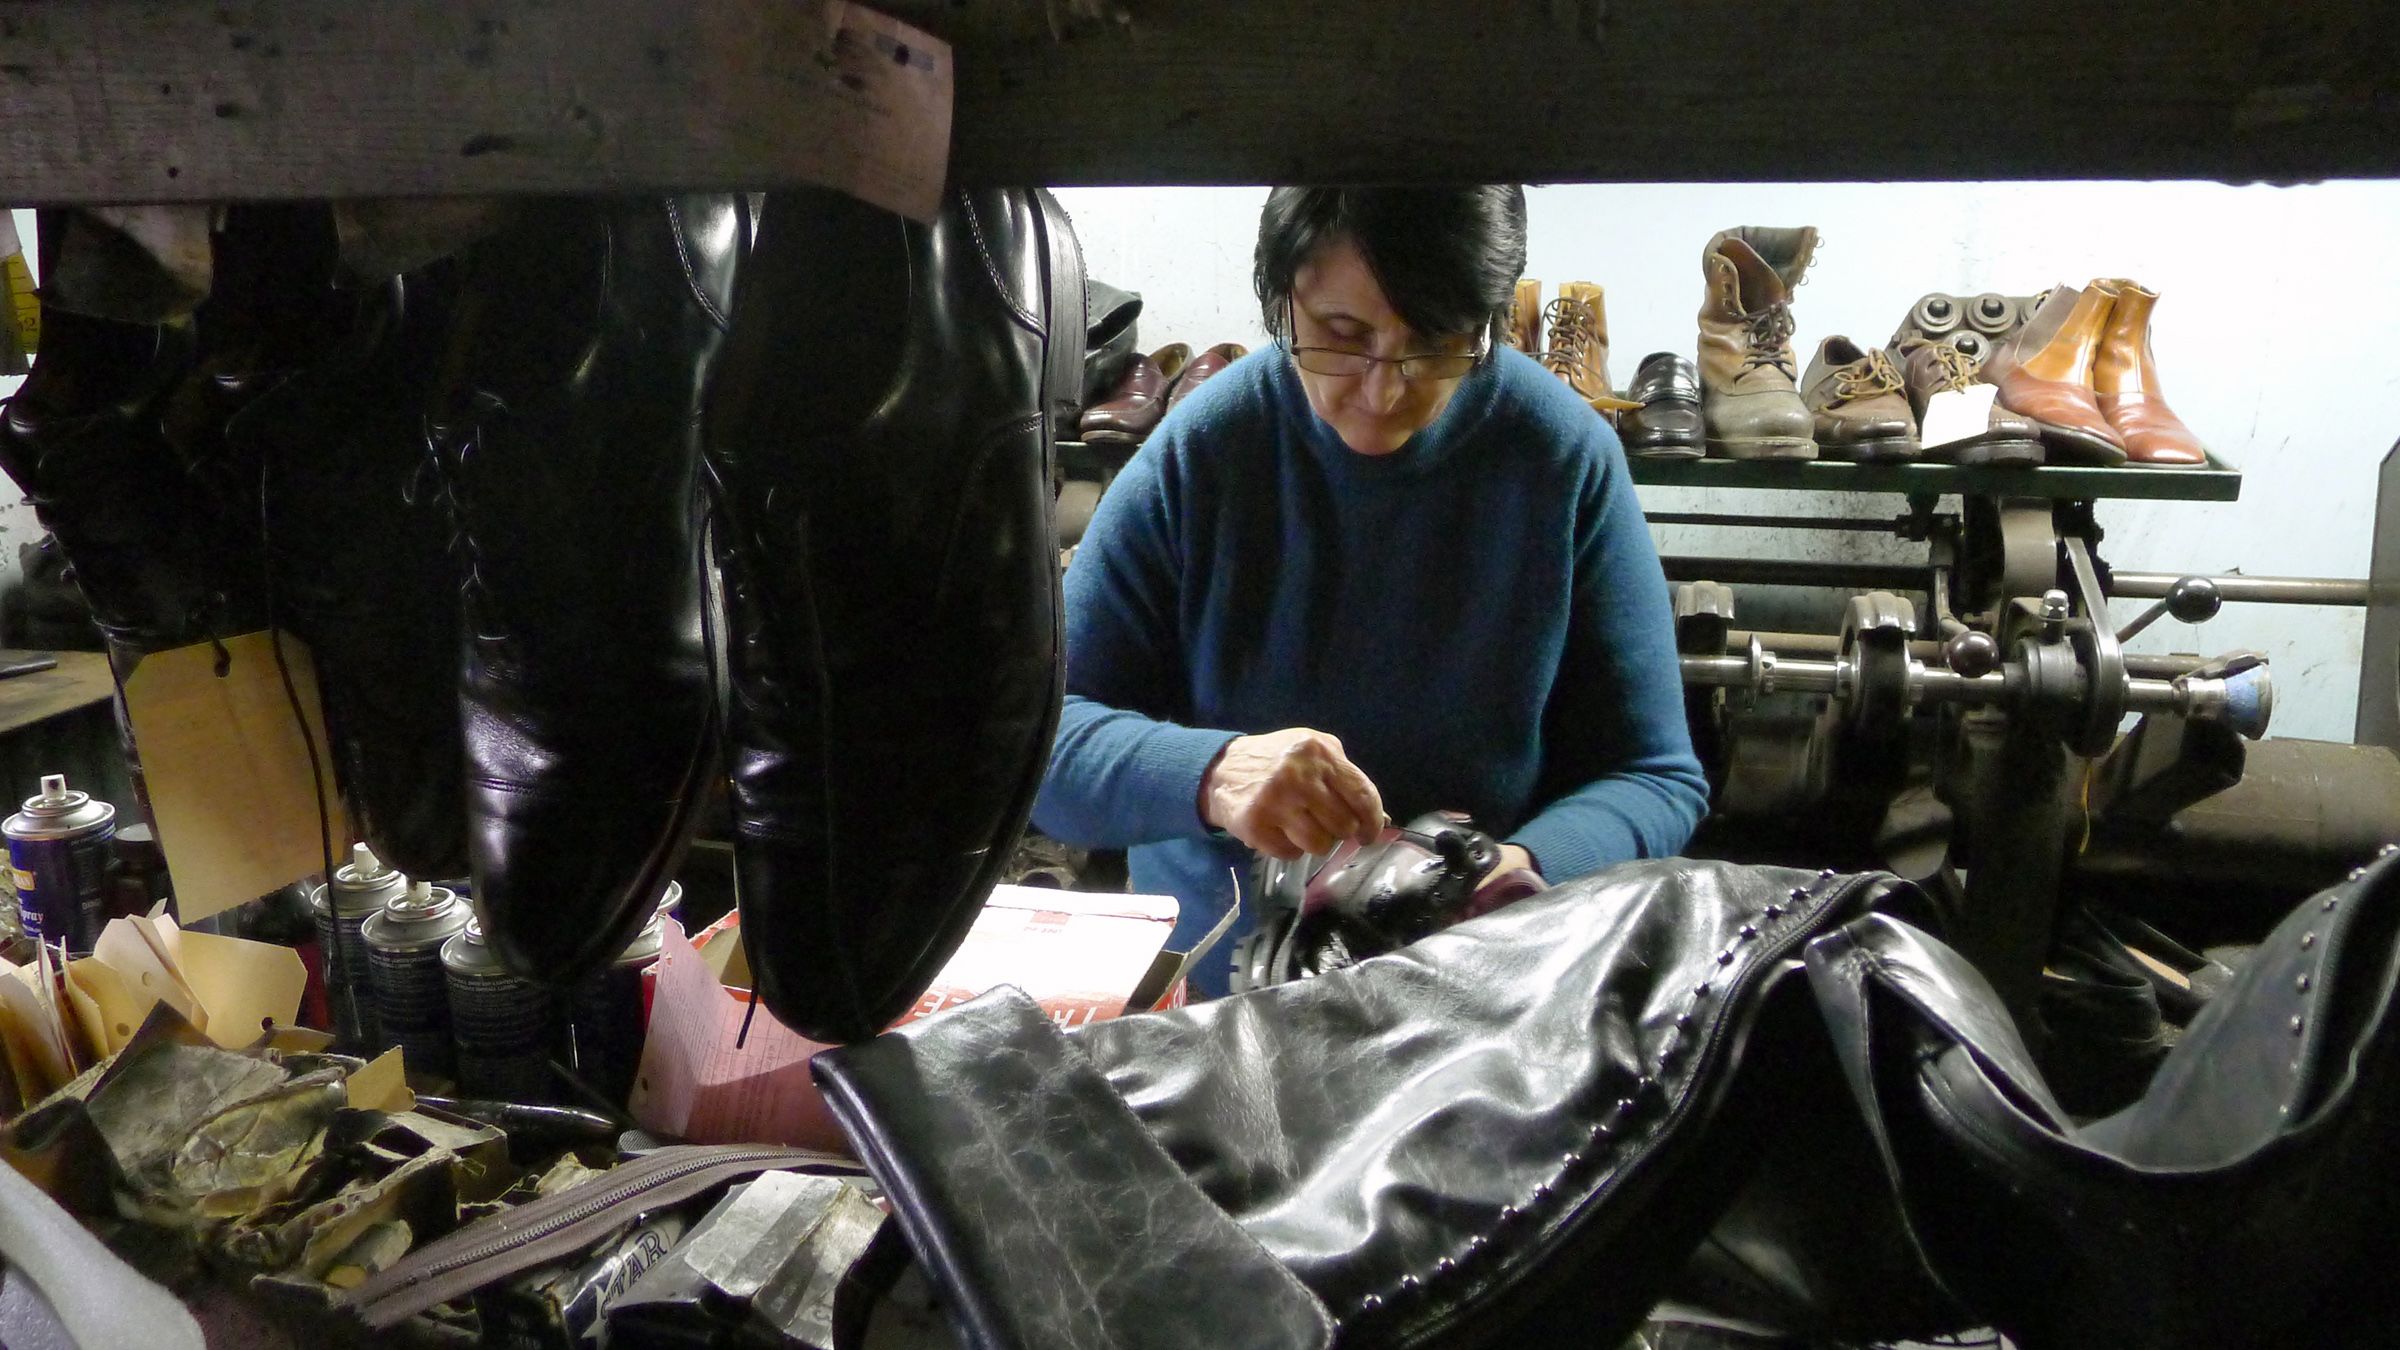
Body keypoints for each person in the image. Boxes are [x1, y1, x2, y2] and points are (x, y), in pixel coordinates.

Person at [1032, 185, 1707, 996]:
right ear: (1282, 301)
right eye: (1342, 337)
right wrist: (1214, 773)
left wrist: (1516, 871)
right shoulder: (1203, 454)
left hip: (1477, 989)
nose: (1386, 390)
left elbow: (1655, 773)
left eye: (1435, 343)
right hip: (1221, 998)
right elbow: (1041, 751)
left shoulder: (1561, 458)